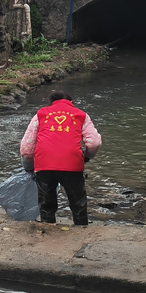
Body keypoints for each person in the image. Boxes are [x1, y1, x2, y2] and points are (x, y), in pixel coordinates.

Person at [19, 90, 102, 226]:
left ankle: (48, 231)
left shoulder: (40, 114)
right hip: (72, 165)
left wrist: (29, 167)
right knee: (78, 204)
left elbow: (26, 148)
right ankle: (81, 230)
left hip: (44, 165)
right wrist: (86, 157)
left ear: (51, 103)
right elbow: (94, 142)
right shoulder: (81, 115)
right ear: (71, 103)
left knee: (46, 205)